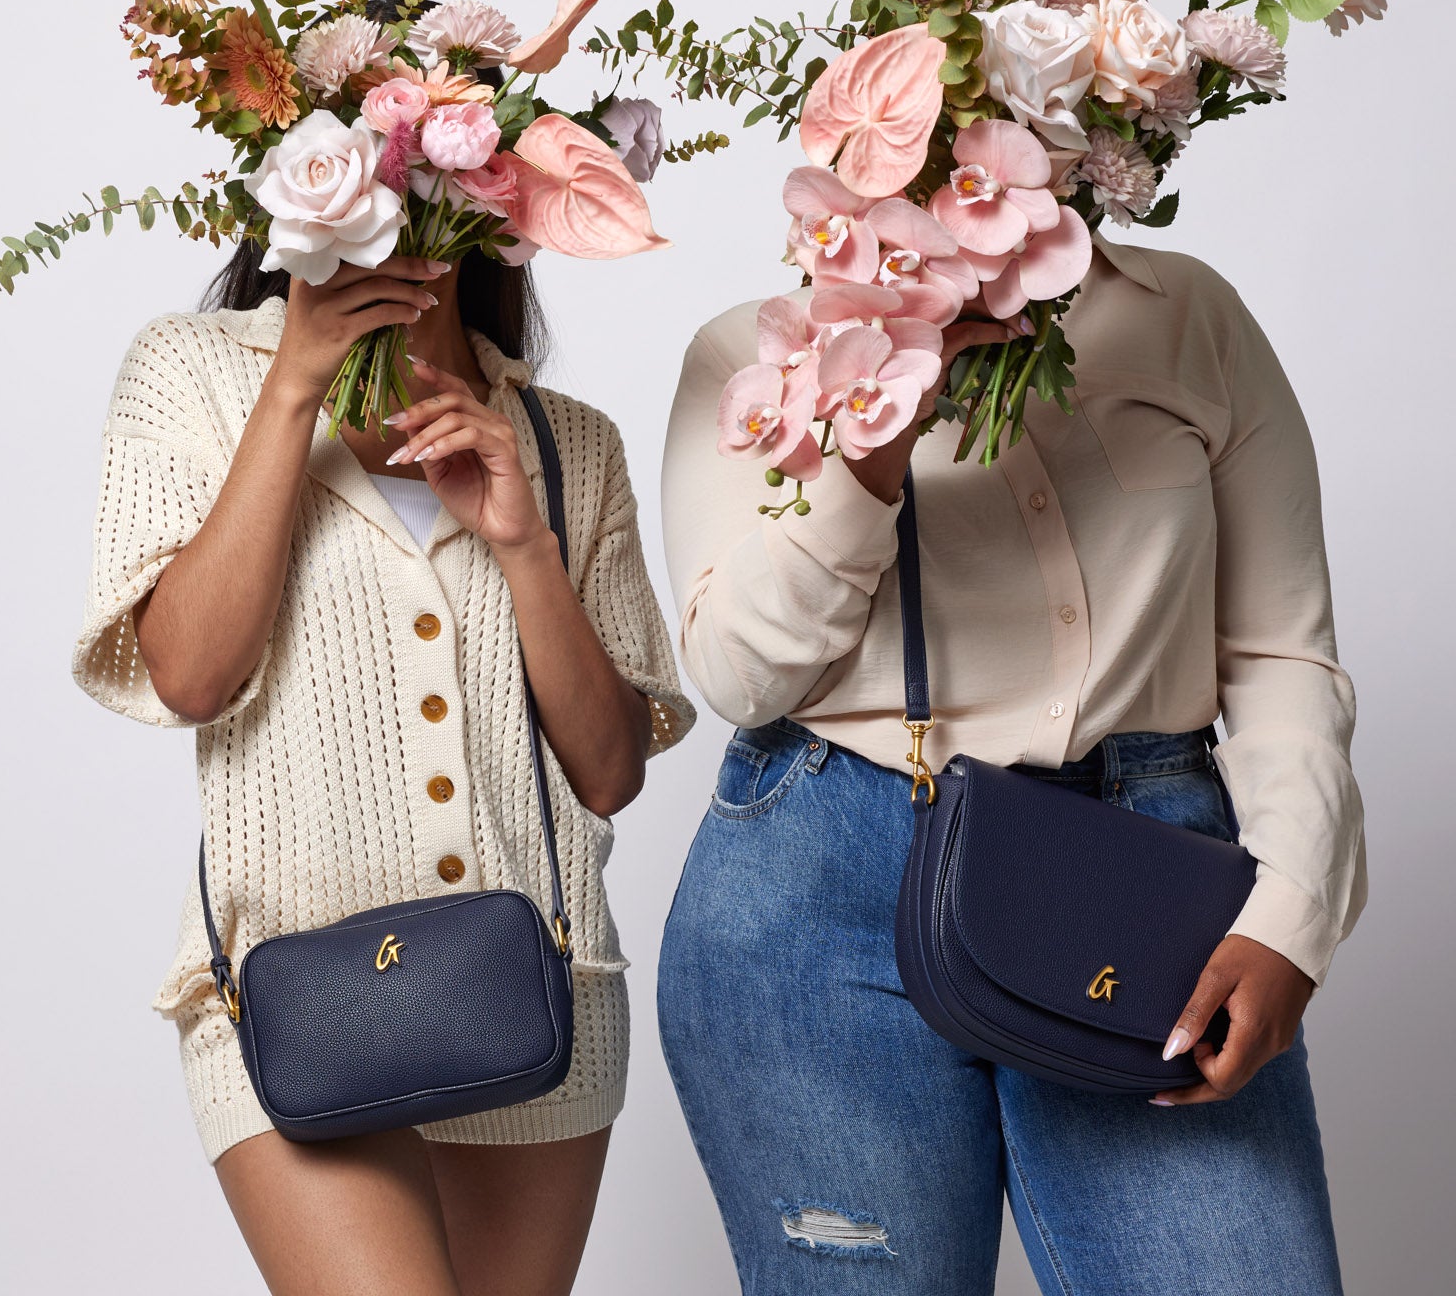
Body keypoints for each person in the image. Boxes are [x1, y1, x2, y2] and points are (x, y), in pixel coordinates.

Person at [657, 232, 1363, 1296]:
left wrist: (1293, 910)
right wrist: (872, 445)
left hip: (1148, 892)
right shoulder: (753, 354)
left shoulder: (1184, 315)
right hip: (819, 890)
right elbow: (740, 678)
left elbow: (1281, 648)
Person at [77, 221, 693, 1296]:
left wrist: (523, 546)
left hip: (536, 992)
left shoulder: (565, 441)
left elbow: (607, 774)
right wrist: (291, 390)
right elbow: (188, 675)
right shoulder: (192, 371)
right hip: (288, 992)